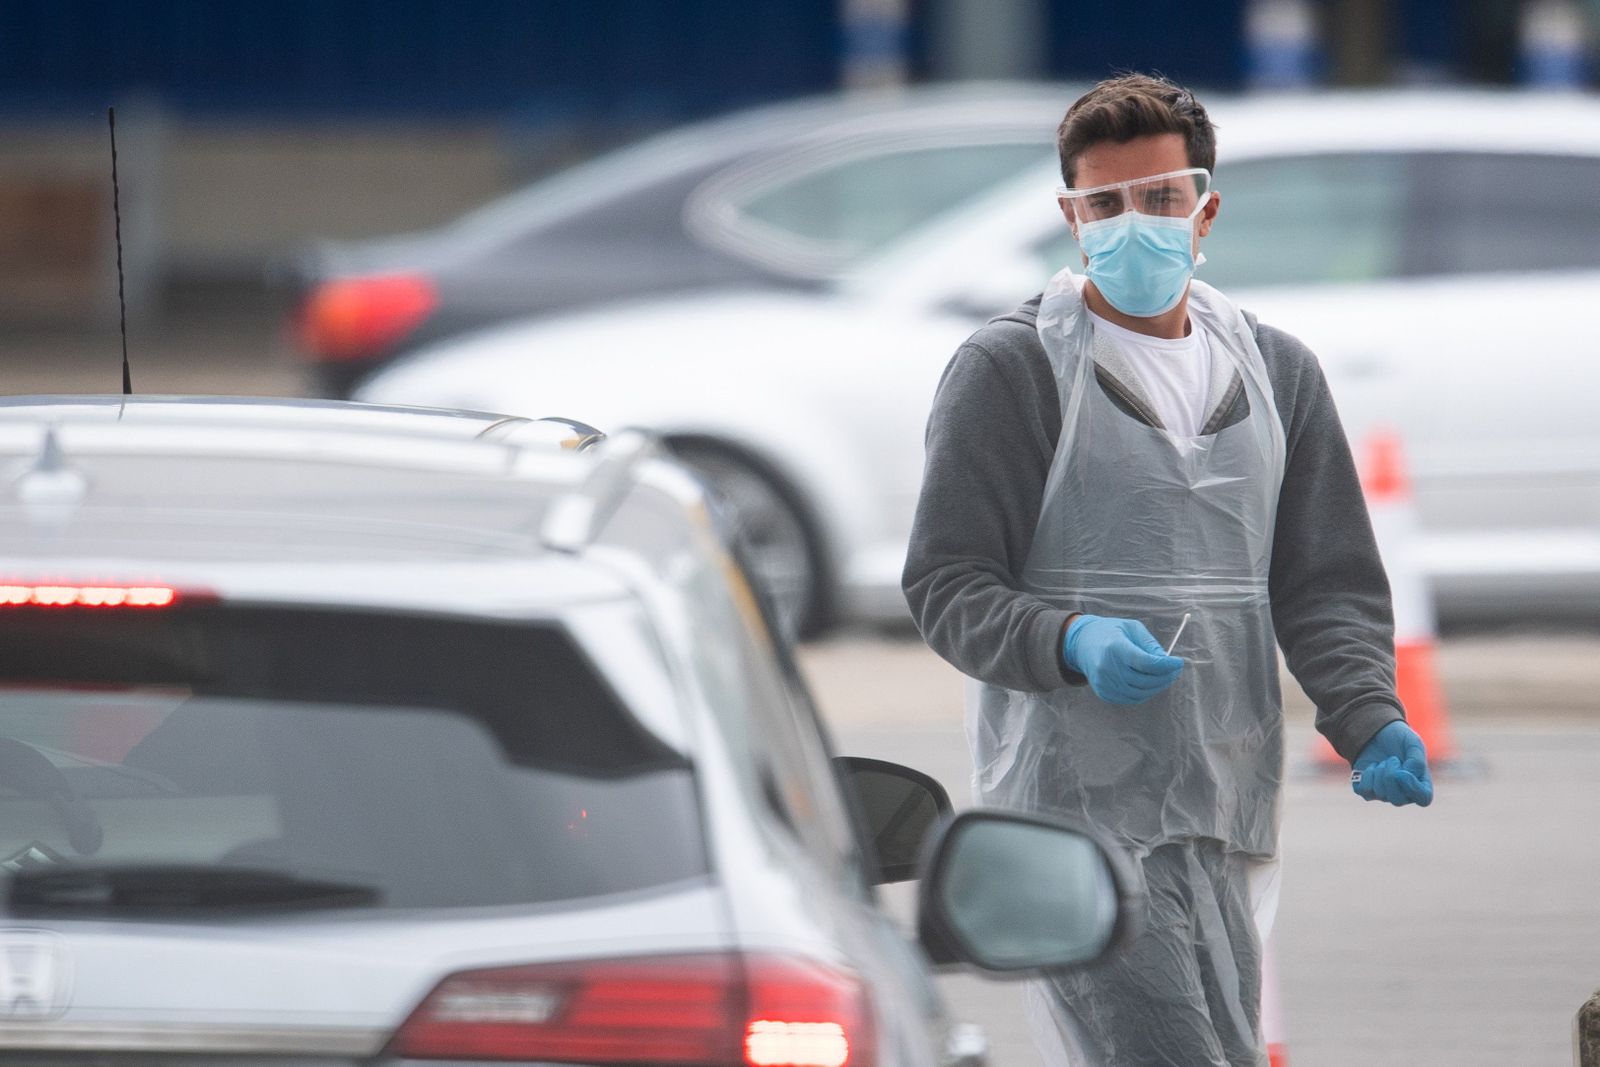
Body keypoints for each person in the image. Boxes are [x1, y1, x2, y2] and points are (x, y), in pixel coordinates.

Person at [902, 73, 1434, 1067]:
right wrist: (1067, 638)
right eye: (1104, 204)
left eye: (1158, 198)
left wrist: (1369, 711)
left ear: (1205, 207)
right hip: (1074, 813)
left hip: (1221, 799)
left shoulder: (1274, 372)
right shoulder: (1015, 369)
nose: (1133, 224)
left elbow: (1322, 578)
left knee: (1225, 1042)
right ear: (1069, 217)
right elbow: (946, 582)